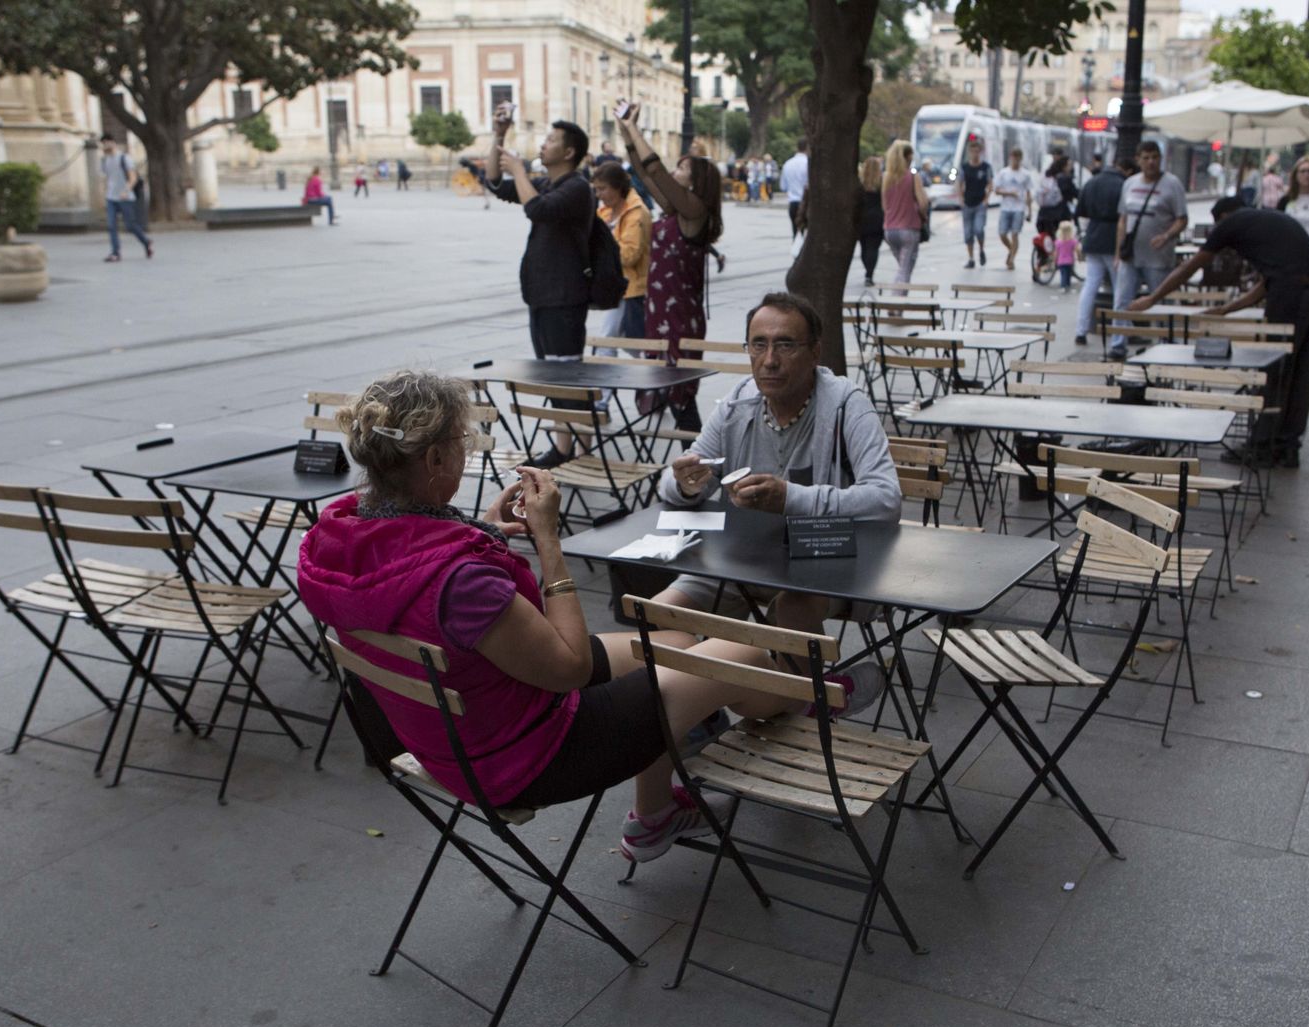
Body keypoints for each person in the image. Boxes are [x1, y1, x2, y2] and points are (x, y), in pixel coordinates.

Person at [298, 371, 873, 862]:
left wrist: (482, 531)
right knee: (744, 658)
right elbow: (569, 667)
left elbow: (422, 585)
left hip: (459, 736)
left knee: (671, 635)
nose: (468, 451)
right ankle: (804, 697)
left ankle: (654, 815)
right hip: (531, 751)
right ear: (435, 458)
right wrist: (549, 540)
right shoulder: (459, 580)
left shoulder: (337, 538)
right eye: (462, 442)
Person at [656, 292, 899, 663]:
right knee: (661, 611)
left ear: (815, 353)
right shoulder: (738, 403)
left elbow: (885, 500)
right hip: (743, 560)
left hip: (825, 562)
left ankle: (800, 709)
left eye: (785, 345)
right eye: (759, 345)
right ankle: (707, 702)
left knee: (790, 611)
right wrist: (686, 485)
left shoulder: (847, 404)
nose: (769, 361)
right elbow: (673, 482)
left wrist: (790, 498)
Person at [1130, 196, 1309, 467]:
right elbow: (1268, 282)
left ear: (1223, 218)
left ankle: (1262, 446)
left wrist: (1151, 299)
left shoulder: (1232, 223)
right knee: (1299, 372)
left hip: (1293, 296)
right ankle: (1286, 445)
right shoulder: (1267, 221)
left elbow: (1190, 266)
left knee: (1277, 369)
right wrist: (1226, 310)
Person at [484, 107, 595, 465]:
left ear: (568, 153)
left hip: (565, 297)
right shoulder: (548, 183)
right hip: (543, 295)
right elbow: (496, 185)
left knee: (567, 375)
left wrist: (518, 170)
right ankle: (565, 449)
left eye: (551, 140)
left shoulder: (577, 187)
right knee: (552, 373)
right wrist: (499, 136)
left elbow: (539, 210)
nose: (543, 145)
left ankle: (581, 451)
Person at [618, 102, 724, 432]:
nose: (674, 171)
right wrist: (627, 133)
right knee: (670, 392)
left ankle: (696, 466)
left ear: (696, 181)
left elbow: (656, 169)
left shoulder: (695, 210)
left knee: (681, 397)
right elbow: (644, 172)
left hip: (679, 318)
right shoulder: (677, 210)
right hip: (659, 311)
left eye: (682, 168)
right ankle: (692, 467)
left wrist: (637, 130)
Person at [1109, 140, 1188, 357]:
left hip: (1159, 258)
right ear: (1138, 160)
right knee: (1122, 300)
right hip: (1131, 256)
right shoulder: (1130, 183)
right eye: (1146, 157)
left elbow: (1182, 219)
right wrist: (1118, 253)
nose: (1151, 162)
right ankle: (1118, 345)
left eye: (1155, 157)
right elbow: (1123, 220)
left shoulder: (1172, 184)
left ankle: (1166, 342)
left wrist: (1167, 236)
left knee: (1160, 299)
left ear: (1160, 159)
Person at [592, 162, 651, 354]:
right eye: (596, 189)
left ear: (618, 187)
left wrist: (602, 249)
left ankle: (648, 378)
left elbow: (629, 255)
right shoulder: (605, 211)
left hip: (632, 287)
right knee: (611, 338)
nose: (599, 194)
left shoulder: (636, 212)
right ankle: (608, 383)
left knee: (624, 341)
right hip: (613, 284)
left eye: (603, 189)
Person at [1073, 155, 1132, 346]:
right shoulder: (1123, 184)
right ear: (1127, 170)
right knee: (1119, 289)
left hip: (1093, 236)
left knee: (1090, 285)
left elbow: (1080, 212)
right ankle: (1119, 332)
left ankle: (1081, 330)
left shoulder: (1092, 182)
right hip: (1113, 238)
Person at [880, 140, 929, 285]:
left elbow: (884, 206)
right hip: (909, 228)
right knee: (904, 269)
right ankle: (895, 305)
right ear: (908, 157)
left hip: (889, 230)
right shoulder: (913, 177)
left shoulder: (886, 178)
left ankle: (897, 305)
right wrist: (923, 214)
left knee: (903, 267)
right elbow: (922, 203)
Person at [99, 134, 153, 262]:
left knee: (130, 225)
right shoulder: (105, 161)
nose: (105, 145)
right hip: (111, 197)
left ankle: (146, 242)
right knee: (111, 225)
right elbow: (107, 178)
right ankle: (115, 253)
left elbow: (132, 177)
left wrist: (125, 191)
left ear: (113, 143)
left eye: (107, 142)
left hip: (126, 197)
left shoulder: (124, 158)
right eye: (103, 143)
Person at [994, 146, 1034, 270]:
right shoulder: (1004, 173)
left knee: (1015, 234)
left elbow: (1028, 193)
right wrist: (1009, 193)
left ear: (1020, 159)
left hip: (1019, 208)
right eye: (1013, 158)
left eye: (1018, 158)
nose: (1015, 161)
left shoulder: (1025, 174)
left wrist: (1029, 211)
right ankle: (1011, 249)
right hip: (1006, 207)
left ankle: (1011, 259)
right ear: (1010, 158)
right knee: (1002, 233)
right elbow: (997, 190)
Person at [959, 139, 993, 269]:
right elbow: (959, 183)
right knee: (968, 233)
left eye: (977, 151)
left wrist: (986, 199)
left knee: (979, 229)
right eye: (972, 151)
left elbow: (990, 184)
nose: (975, 154)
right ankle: (971, 258)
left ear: (980, 152)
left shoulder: (986, 167)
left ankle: (981, 249)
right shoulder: (964, 167)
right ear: (969, 152)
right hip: (967, 203)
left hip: (980, 203)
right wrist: (960, 199)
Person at [857, 156, 886, 286]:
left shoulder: (860, 184)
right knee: (873, 248)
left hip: (861, 219)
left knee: (864, 247)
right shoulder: (881, 183)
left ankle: (867, 269)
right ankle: (869, 273)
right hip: (877, 219)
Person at [781, 142, 809, 236]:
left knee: (796, 234)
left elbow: (783, 187)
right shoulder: (808, 163)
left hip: (793, 202)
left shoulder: (787, 164)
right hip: (806, 202)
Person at [1054, 220, 1079, 291]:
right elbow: (1077, 249)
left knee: (1063, 274)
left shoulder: (1058, 242)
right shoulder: (1073, 241)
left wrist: (1055, 260)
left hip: (1061, 261)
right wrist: (1079, 257)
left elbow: (1056, 252)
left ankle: (1063, 286)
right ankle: (1067, 284)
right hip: (1070, 261)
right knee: (1068, 274)